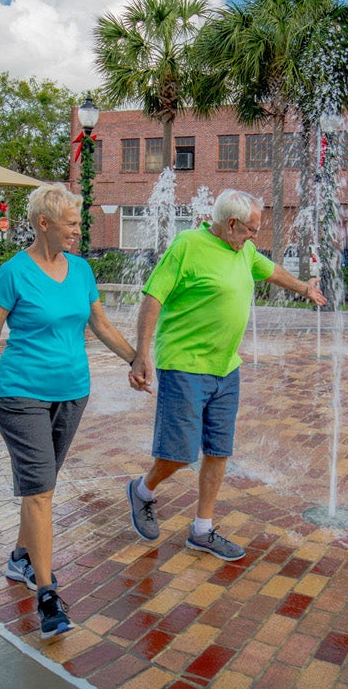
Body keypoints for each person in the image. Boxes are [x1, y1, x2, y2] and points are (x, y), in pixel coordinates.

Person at [0, 184, 136, 640]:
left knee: (41, 486)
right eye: (72, 223)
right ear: (45, 224)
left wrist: (136, 358)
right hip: (21, 394)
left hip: (73, 393)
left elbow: (100, 323)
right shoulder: (13, 273)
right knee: (41, 492)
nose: (79, 230)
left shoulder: (80, 271)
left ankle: (21, 557)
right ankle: (46, 594)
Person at [124, 189, 327, 561]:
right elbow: (153, 298)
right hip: (185, 365)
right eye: (251, 229)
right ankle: (143, 490)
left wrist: (303, 288)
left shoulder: (243, 250)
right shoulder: (187, 245)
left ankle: (202, 530)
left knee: (218, 451)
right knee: (181, 453)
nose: (254, 236)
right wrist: (141, 355)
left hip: (226, 367)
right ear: (231, 224)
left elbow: (271, 270)